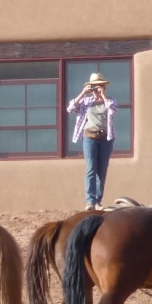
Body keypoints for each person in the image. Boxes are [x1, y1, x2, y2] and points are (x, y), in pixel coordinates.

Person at [67, 72, 118, 210]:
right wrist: (83, 93)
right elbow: (70, 108)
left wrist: (103, 97)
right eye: (94, 86)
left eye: (99, 86)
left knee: (102, 170)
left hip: (105, 138)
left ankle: (98, 201)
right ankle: (90, 201)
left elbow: (113, 111)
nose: (97, 89)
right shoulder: (86, 102)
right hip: (89, 137)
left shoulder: (110, 100)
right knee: (91, 168)